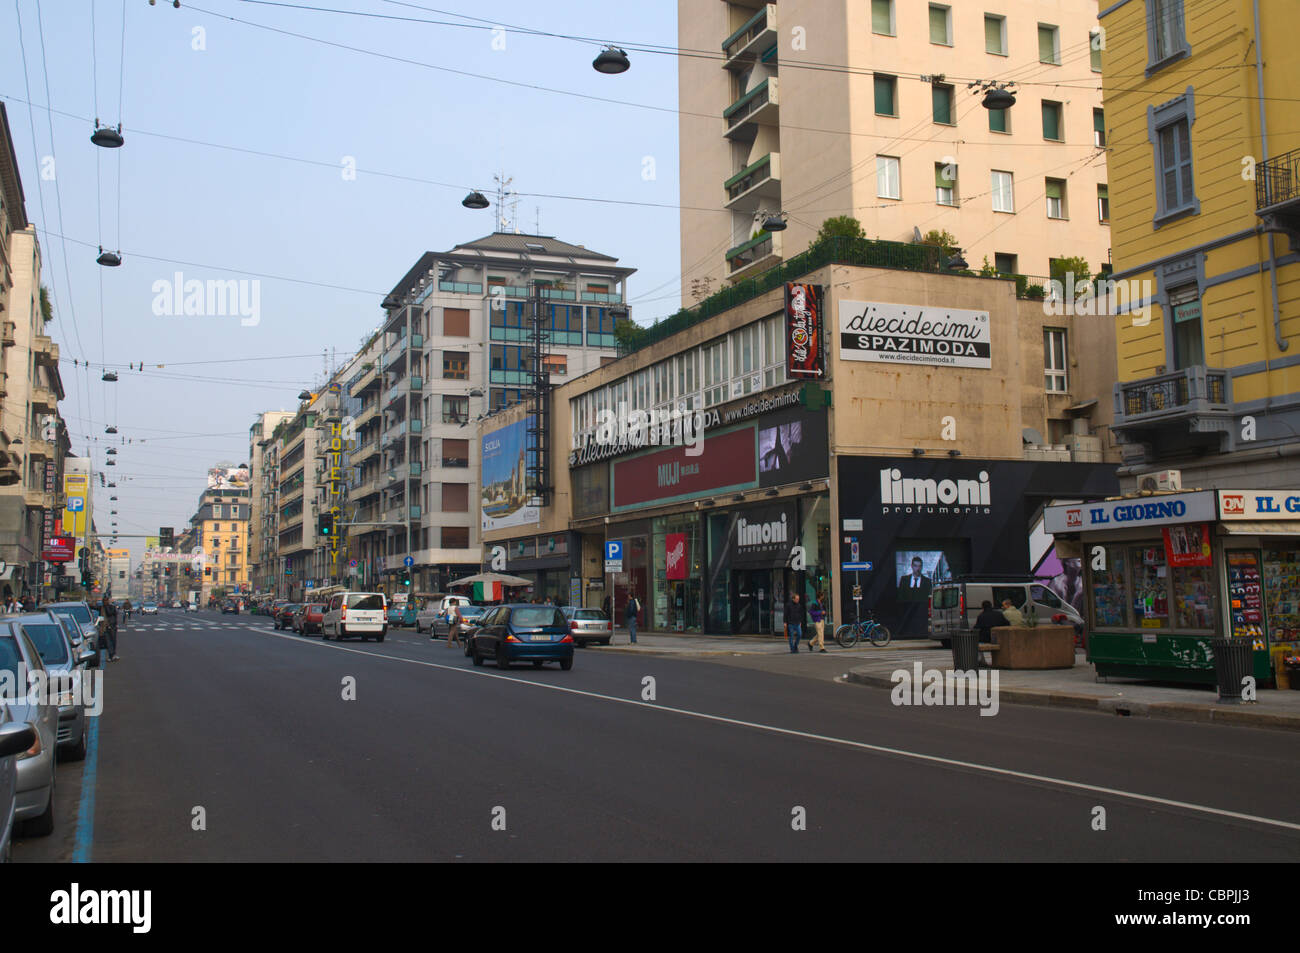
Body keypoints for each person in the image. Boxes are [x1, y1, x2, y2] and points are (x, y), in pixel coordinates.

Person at [100, 594, 119, 662]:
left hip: (111, 626)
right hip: (107, 626)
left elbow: (111, 613)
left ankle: (112, 654)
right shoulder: (103, 608)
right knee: (109, 641)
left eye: (106, 600)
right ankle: (111, 655)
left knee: (112, 641)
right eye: (104, 601)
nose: (105, 602)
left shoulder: (110, 607)